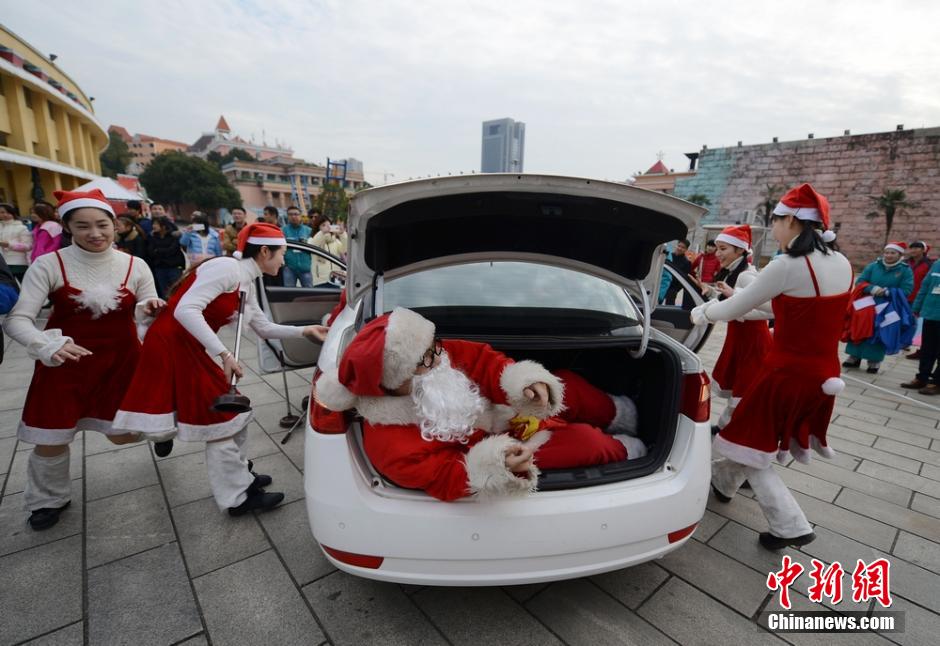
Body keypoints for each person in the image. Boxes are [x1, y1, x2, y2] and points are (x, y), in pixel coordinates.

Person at [316, 308, 646, 501]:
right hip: (507, 448)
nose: (440, 357)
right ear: (392, 383)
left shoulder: (439, 355)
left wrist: (528, 384)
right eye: (426, 358)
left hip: (508, 415)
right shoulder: (389, 444)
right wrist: (499, 464)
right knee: (587, 442)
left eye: (436, 344)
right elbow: (448, 476)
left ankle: (623, 415)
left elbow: (487, 363)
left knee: (566, 382)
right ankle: (629, 449)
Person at [113, 223, 329, 516]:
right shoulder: (228, 269)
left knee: (234, 413)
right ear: (264, 251)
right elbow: (185, 310)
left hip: (188, 347)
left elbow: (262, 327)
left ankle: (240, 476)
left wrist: (307, 331)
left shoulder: (245, 279)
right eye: (282, 254)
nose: (284, 260)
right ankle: (237, 497)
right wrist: (224, 353)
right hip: (171, 347)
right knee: (220, 419)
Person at [691, 183, 853, 550]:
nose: (774, 229)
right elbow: (785, 311)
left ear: (793, 221)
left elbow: (730, 309)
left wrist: (700, 312)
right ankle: (723, 483)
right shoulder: (841, 263)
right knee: (750, 435)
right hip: (824, 372)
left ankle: (790, 524)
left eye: (776, 221)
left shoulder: (788, 266)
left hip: (785, 372)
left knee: (750, 442)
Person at [3, 189, 165, 530]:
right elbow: (17, 320)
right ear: (68, 228)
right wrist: (46, 346)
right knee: (52, 437)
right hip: (63, 363)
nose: (95, 233)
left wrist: (152, 308)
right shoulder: (49, 264)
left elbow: (149, 304)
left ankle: (160, 432)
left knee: (120, 434)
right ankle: (47, 501)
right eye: (82, 226)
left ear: (116, 225)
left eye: (102, 225)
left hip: (122, 362)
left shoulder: (135, 264)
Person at [705, 225, 773, 434]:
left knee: (744, 389)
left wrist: (736, 304)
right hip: (740, 340)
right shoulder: (734, 272)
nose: (718, 254)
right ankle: (727, 427)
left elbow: (771, 310)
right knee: (738, 388)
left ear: (740, 250)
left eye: (723, 248)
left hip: (752, 342)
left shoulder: (746, 276)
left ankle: (735, 431)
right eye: (717, 248)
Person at [842, 241, 914, 373]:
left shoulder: (905, 270)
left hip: (888, 306)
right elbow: (860, 281)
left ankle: (874, 361)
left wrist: (888, 292)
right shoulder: (873, 266)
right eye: (887, 252)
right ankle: (854, 356)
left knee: (880, 333)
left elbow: (907, 289)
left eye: (893, 253)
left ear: (900, 254)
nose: (889, 255)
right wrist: (872, 288)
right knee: (859, 327)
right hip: (867, 303)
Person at [901, 258, 940, 395]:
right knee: (927, 349)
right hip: (931, 313)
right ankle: (922, 377)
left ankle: (937, 382)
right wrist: (917, 307)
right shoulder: (937, 264)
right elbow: (925, 286)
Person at [905, 241, 933, 360]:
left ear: (923, 250)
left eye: (917, 248)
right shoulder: (906, 263)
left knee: (916, 323)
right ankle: (902, 341)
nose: (914, 250)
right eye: (912, 248)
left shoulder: (929, 264)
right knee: (902, 320)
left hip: (920, 297)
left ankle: (916, 346)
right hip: (905, 296)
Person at [146, 217, 186, 299]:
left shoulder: (173, 236)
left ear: (163, 226)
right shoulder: (152, 237)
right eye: (153, 224)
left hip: (174, 267)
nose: (153, 226)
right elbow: (150, 251)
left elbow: (172, 250)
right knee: (164, 292)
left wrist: (158, 250)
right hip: (160, 267)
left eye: (156, 224)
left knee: (177, 290)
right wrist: (161, 251)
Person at [0, 202, 32, 281]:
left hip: (18, 263)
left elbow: (28, 246)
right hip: (3, 263)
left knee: (24, 287)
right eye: (1, 212)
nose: (4, 214)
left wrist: (8, 244)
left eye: (6, 212)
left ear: (12, 213)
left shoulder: (21, 227)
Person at [282, 206, 313, 287]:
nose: (293, 216)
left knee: (309, 293)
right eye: (290, 214)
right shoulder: (283, 231)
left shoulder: (308, 231)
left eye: (296, 214)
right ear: (287, 216)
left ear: (300, 216)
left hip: (305, 267)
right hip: (289, 267)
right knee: (289, 294)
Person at [308, 214, 344, 285]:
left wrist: (343, 234)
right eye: (323, 225)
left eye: (329, 225)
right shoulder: (311, 239)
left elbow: (345, 250)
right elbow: (314, 246)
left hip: (336, 279)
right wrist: (322, 233)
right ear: (317, 227)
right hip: (320, 280)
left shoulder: (335, 241)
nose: (327, 227)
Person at [664, 238, 693, 307]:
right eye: (679, 246)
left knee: (669, 307)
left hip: (673, 288)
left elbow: (684, 278)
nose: (680, 248)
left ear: (686, 249)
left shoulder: (687, 262)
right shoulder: (668, 256)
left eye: (683, 247)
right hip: (663, 285)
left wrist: (676, 289)